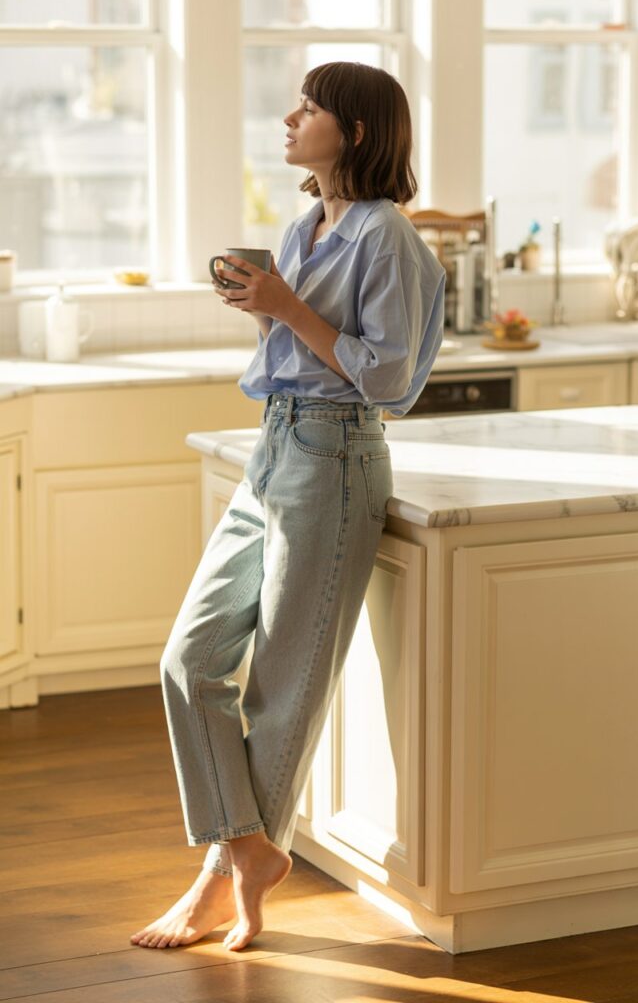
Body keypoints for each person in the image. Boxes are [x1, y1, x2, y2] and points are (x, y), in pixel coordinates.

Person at [130, 60, 445, 952]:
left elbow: (389, 380)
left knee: (278, 695)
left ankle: (215, 882)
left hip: (336, 457)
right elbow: (309, 343)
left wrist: (286, 308)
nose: (289, 117)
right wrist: (263, 307)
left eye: (309, 108)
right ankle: (250, 851)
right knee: (187, 662)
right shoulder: (311, 221)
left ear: (353, 130)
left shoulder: (387, 236)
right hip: (276, 446)